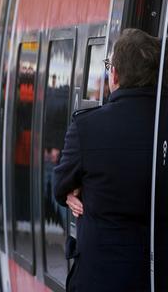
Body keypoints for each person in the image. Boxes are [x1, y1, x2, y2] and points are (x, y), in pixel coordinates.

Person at [54, 28, 168, 291]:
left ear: (114, 74)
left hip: (100, 278)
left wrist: (71, 192)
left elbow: (59, 184)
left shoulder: (87, 128)